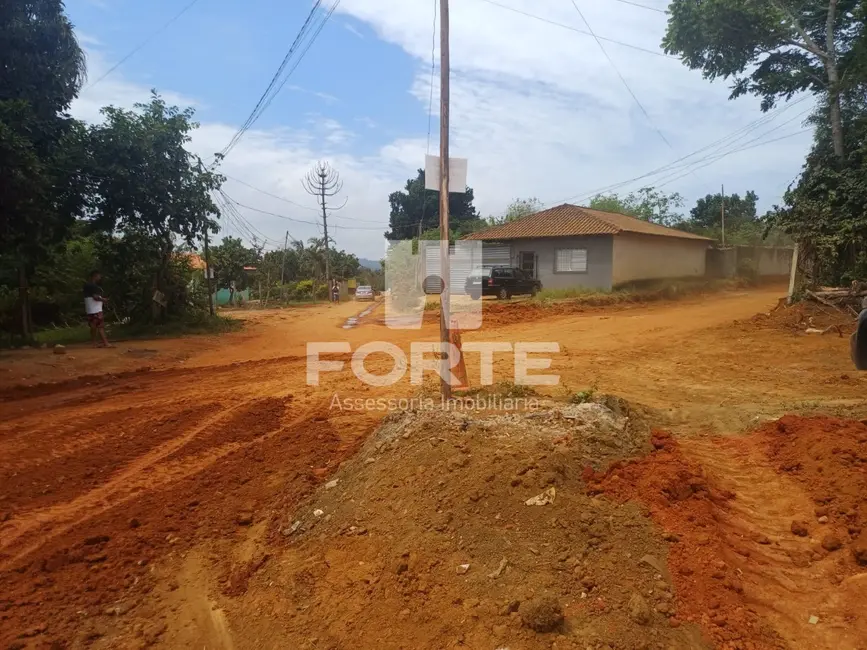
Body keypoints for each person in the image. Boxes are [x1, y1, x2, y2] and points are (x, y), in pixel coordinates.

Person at [83, 270, 112, 348]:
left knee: (94, 325)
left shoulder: (87, 285)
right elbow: (95, 297)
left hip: (90, 309)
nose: (100, 278)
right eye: (99, 276)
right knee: (99, 325)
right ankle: (105, 343)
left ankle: (94, 343)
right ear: (95, 276)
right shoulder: (93, 286)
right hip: (95, 309)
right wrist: (103, 300)